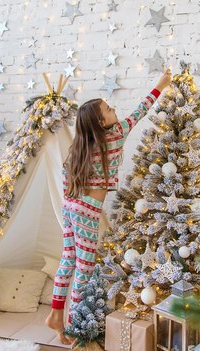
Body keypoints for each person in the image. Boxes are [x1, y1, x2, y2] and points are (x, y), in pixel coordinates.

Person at [45, 68, 172, 344]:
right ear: (102, 122)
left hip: (71, 206)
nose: (114, 109)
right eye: (109, 109)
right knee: (85, 267)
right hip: (87, 210)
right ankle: (75, 325)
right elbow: (141, 111)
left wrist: (75, 204)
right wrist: (160, 85)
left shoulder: (79, 146)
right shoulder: (115, 135)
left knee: (68, 257)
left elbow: (66, 179)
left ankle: (56, 313)